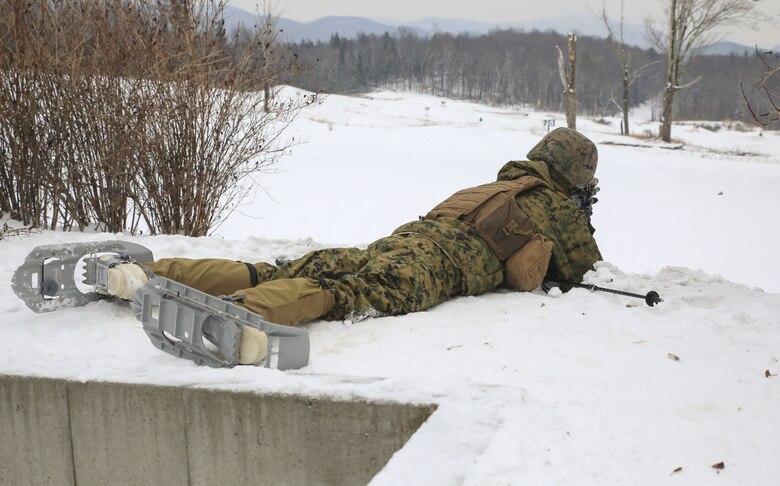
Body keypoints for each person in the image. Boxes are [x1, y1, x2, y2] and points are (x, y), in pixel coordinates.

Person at [104, 127, 602, 364]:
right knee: (353, 293)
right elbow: (588, 270)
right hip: (438, 264)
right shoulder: (557, 207)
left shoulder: (492, 187)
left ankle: (148, 274)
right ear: (576, 176)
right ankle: (241, 314)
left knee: (286, 267)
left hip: (400, 239)